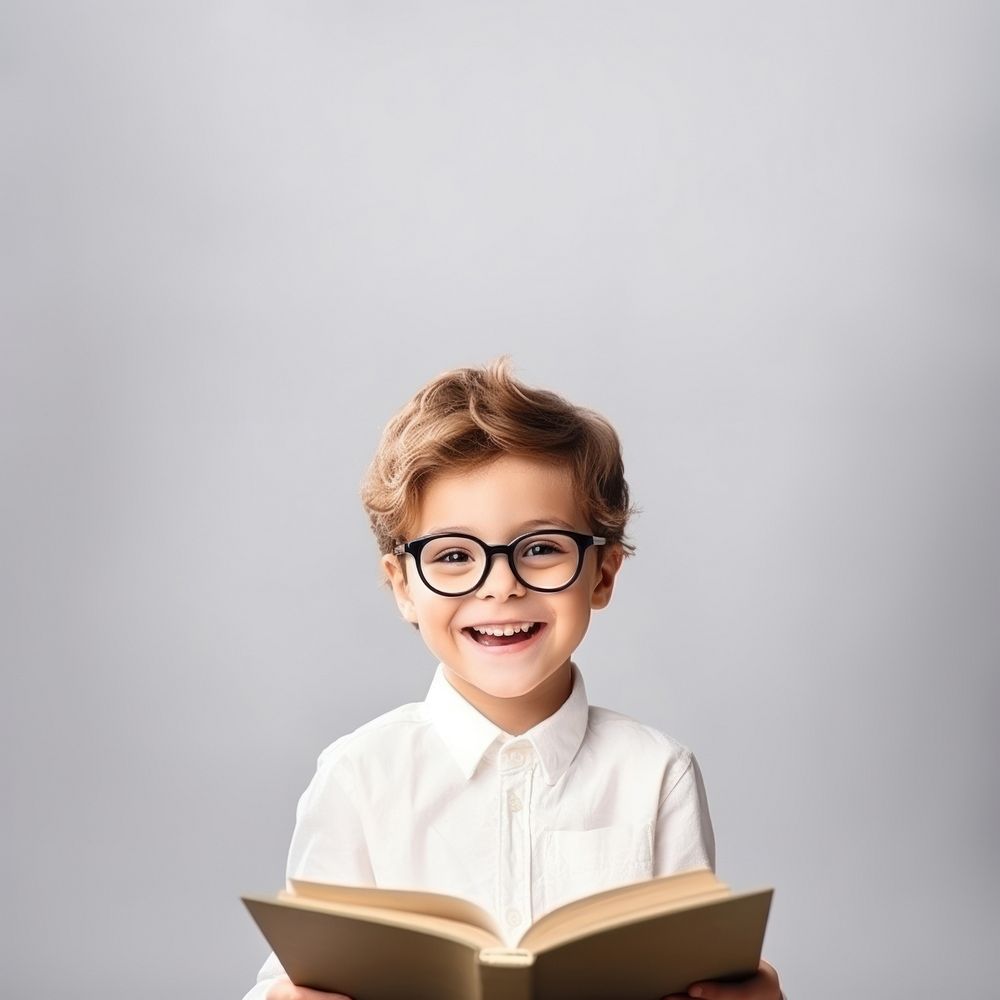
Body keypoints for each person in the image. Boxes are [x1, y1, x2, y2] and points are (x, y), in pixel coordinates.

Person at [243, 359, 783, 1000]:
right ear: (403, 587)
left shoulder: (657, 773)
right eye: (452, 555)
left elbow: (697, 968)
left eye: (542, 547)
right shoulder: (358, 775)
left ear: (603, 573)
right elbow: (290, 980)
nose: (502, 584)